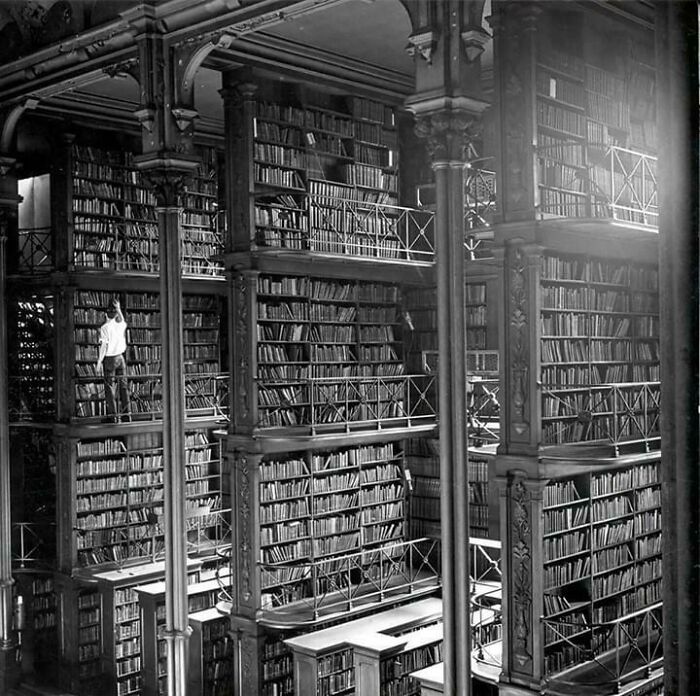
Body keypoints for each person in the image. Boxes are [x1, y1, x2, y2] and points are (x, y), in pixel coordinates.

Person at [96, 297, 131, 423]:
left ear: (106, 315)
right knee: (123, 386)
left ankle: (114, 417)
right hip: (121, 358)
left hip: (110, 359)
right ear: (116, 314)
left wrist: (99, 362)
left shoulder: (105, 328)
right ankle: (127, 415)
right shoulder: (120, 325)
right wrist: (119, 308)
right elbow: (122, 319)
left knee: (109, 388)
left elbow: (104, 346)